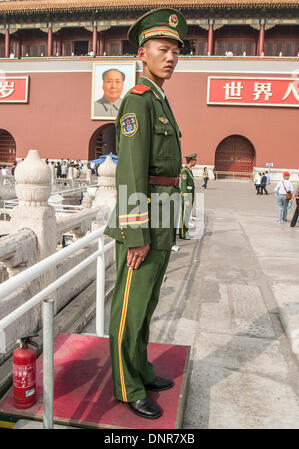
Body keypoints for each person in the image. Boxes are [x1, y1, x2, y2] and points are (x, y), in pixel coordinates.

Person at [104, 7, 187, 420]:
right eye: (162, 47)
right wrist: (135, 234)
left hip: (164, 212)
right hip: (144, 218)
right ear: (142, 53)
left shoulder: (160, 100)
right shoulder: (138, 102)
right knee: (130, 305)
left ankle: (141, 368)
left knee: (148, 301)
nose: (170, 56)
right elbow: (132, 171)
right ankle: (126, 384)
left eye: (176, 49)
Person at [180, 153, 197, 239]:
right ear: (191, 161)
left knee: (186, 215)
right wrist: (186, 198)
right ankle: (183, 233)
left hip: (190, 196)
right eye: (195, 160)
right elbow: (183, 186)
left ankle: (185, 231)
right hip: (187, 197)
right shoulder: (185, 171)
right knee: (185, 215)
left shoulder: (189, 170)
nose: (196, 162)